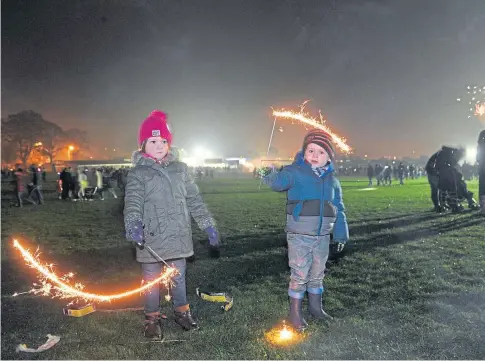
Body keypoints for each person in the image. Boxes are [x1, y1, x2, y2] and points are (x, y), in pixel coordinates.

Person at [124, 110, 221, 340]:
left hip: (178, 236)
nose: (159, 145)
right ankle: (152, 318)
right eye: (153, 141)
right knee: (151, 282)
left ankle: (182, 312)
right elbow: (133, 202)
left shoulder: (181, 170)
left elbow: (194, 200)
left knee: (178, 277)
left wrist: (208, 225)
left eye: (163, 141)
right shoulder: (138, 173)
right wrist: (133, 224)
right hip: (151, 238)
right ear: (143, 145)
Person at [263, 129, 349, 332]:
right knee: (300, 274)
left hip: (322, 236)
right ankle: (295, 314)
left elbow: (339, 208)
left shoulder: (333, 181)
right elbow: (277, 183)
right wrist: (266, 172)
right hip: (299, 235)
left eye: (321, 152)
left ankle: (315, 308)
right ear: (304, 152)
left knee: (317, 273)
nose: (315, 156)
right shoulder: (295, 172)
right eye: (311, 150)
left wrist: (341, 233)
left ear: (329, 157)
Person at [477, 130, 485, 214]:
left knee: (483, 187)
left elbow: (478, 158)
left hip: (483, 168)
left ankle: (483, 208)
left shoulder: (480, 146)